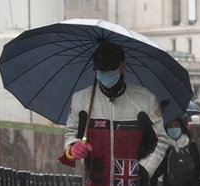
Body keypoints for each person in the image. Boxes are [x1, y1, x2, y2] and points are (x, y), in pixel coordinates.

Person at [59, 42, 168, 186]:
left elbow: (160, 139)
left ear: (122, 66)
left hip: (133, 181)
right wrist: (73, 147)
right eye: (100, 70)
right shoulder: (81, 99)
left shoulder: (145, 100)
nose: (105, 74)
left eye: (109, 70)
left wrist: (145, 169)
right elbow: (71, 134)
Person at [150, 117, 200, 186]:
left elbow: (198, 169)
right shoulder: (165, 148)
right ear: (166, 129)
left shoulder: (191, 146)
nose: (173, 128)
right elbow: (157, 171)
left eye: (176, 125)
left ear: (181, 127)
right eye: (170, 126)